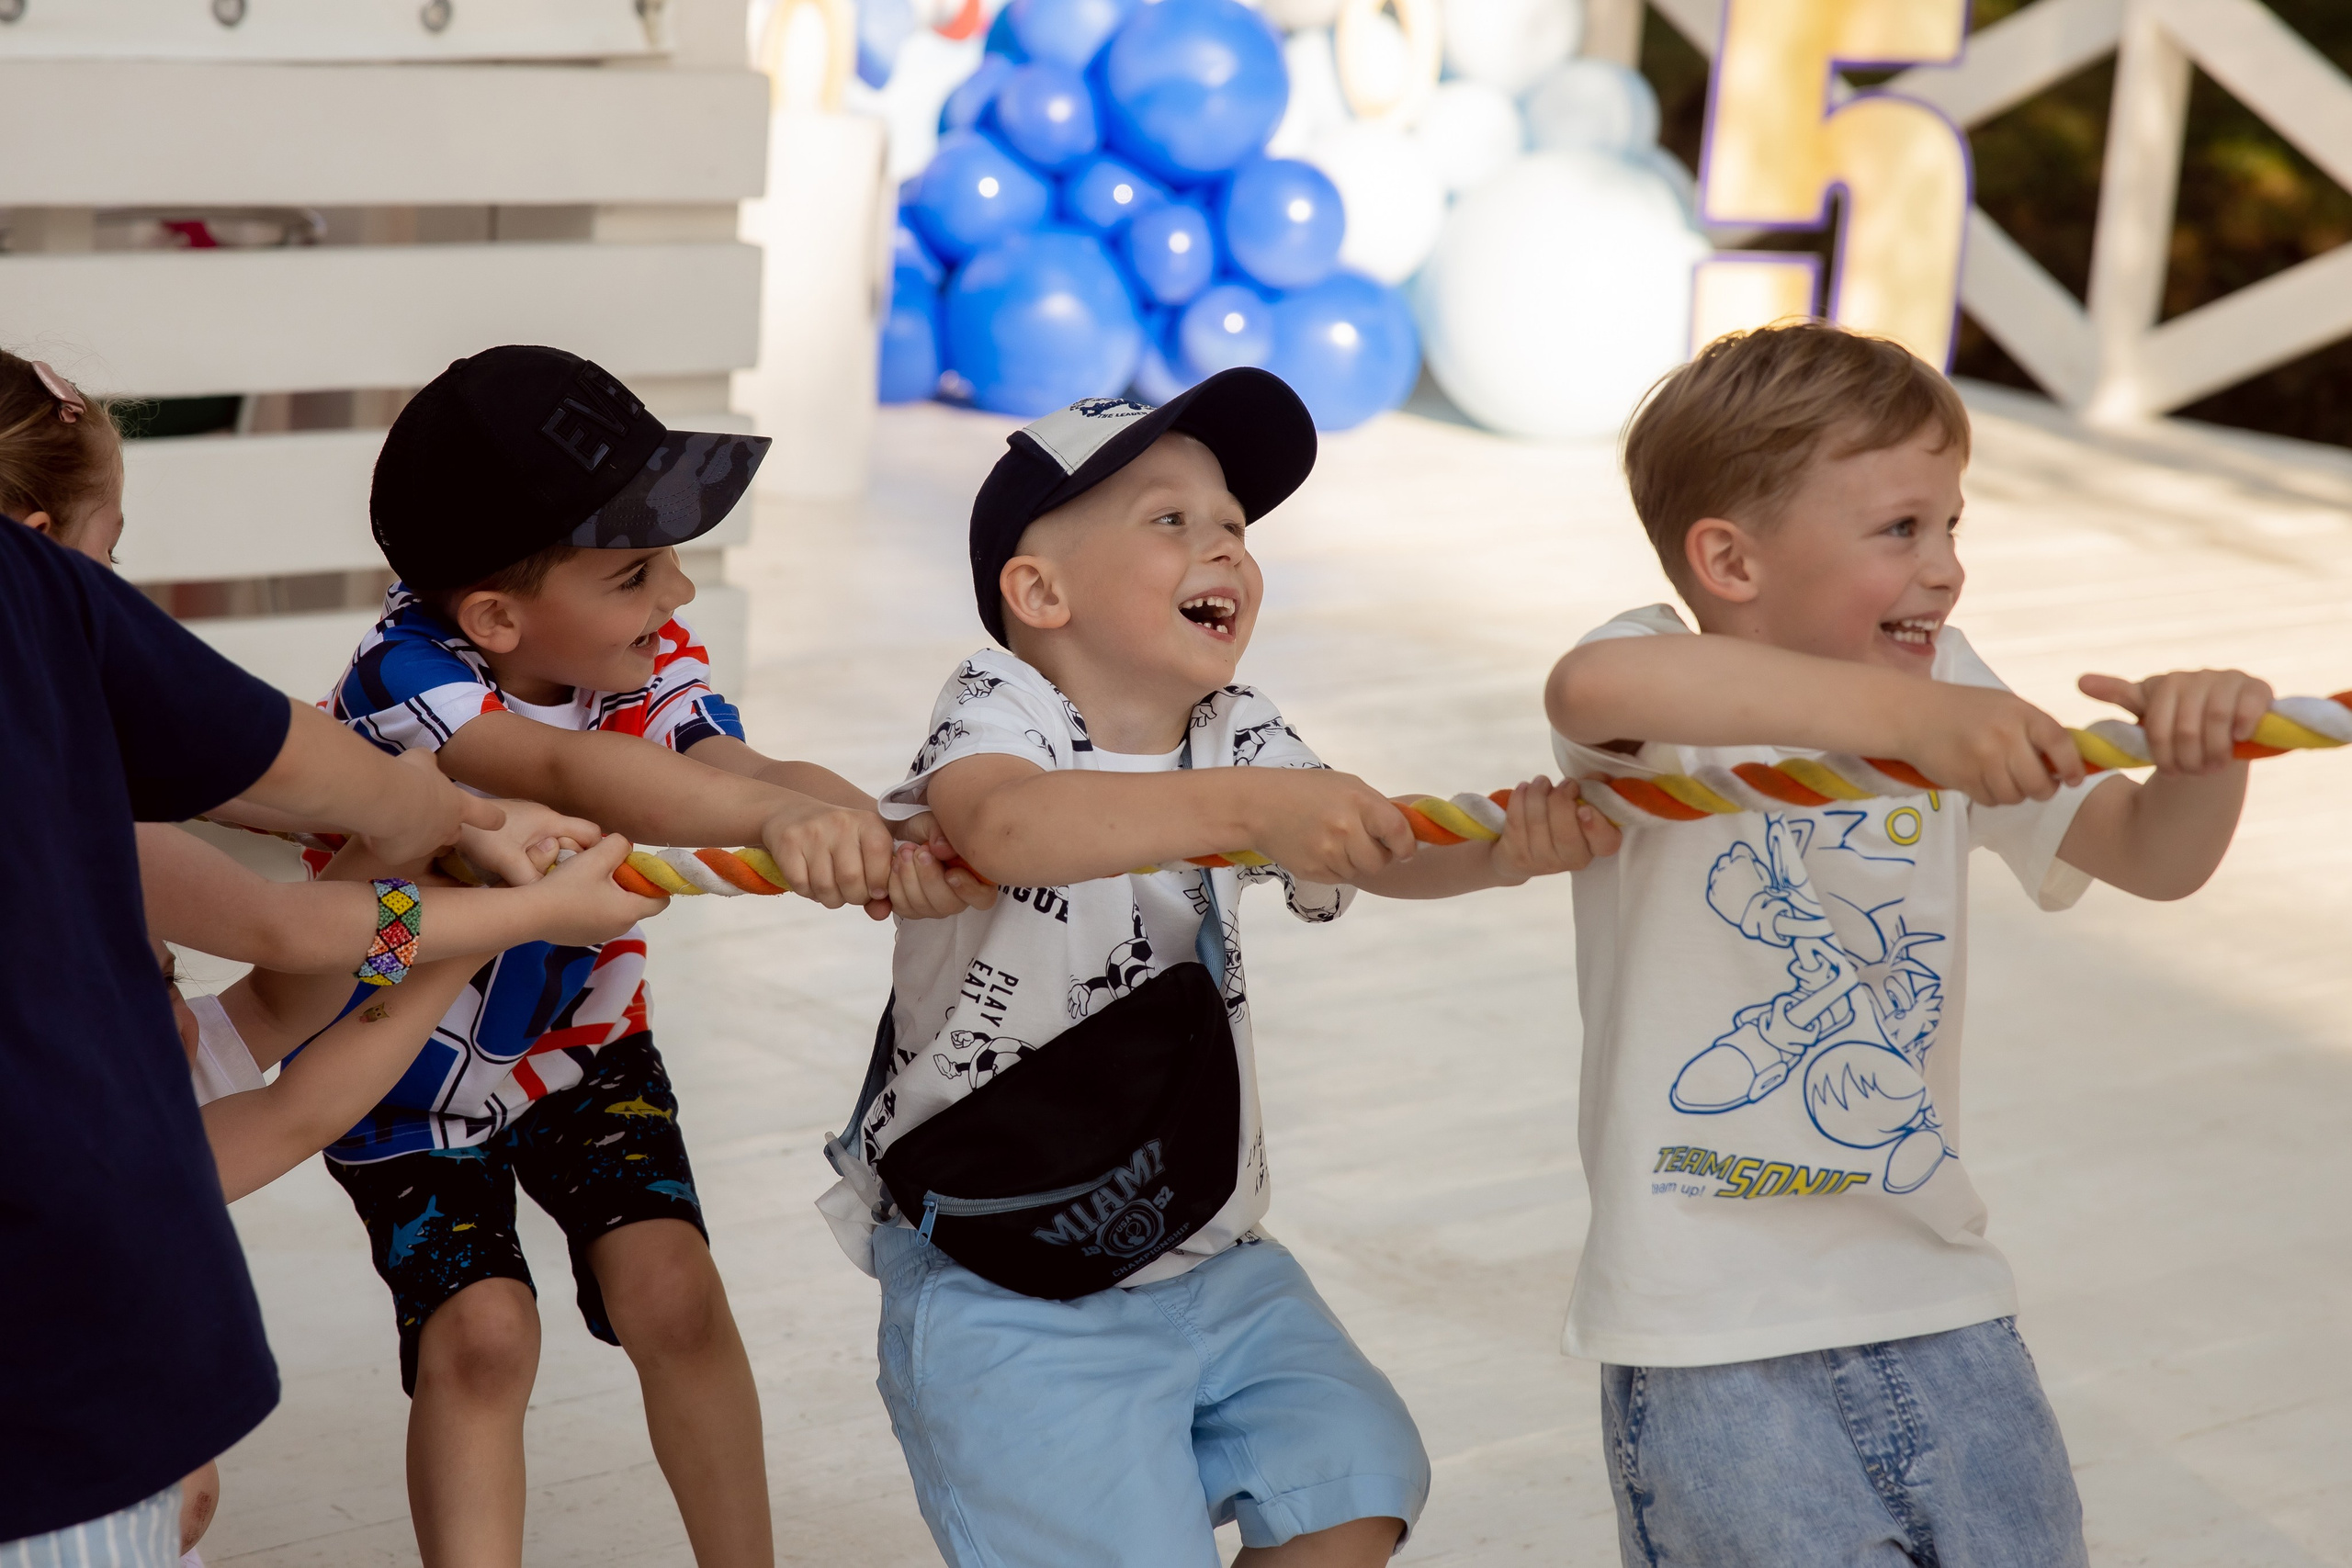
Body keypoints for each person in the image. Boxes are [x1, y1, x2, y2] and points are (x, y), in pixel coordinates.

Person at [817, 369, 1620, 1568]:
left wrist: (1508, 849)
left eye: (1235, 524)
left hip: (1203, 1241)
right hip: (1009, 1269)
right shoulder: (1004, 704)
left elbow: (1374, 846)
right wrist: (1258, 804)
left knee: (1353, 1469)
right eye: (1170, 519)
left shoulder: (1236, 723)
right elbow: (1007, 828)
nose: (1225, 547)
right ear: (1039, 590)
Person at [1541, 321, 2268, 1566]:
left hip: (1940, 1298)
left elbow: (2150, 851)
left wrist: (2209, 755)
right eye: (1900, 529)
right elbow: (1589, 688)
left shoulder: (1956, 693)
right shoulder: (1671, 685)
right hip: (1711, 1332)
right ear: (1729, 558)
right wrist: (1920, 717)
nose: (1945, 570)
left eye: (1952, 526)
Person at [320, 344, 990, 1568]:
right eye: (636, 571)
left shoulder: (640, 656)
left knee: (675, 1290)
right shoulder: (405, 683)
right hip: (400, 1064)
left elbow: (738, 768)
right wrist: (773, 826)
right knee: (484, 1335)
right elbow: (573, 772)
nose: (677, 592)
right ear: (497, 618)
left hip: (583, 1041)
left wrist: (882, 834)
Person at [0, 380, 500, 1562]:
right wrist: (487, 904)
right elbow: (285, 959)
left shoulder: (130, 1073)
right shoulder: (96, 847)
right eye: (104, 558)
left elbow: (285, 1012)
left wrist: (428, 912)